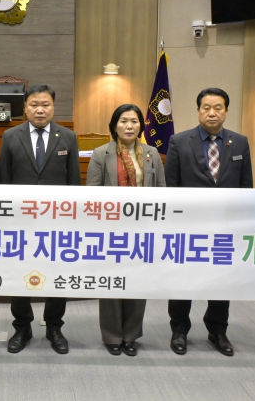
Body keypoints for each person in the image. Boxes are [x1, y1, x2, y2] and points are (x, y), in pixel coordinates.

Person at [164, 87, 253, 357]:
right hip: (187, 227)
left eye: (218, 108)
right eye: (206, 107)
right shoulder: (179, 141)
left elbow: (245, 187)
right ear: (198, 110)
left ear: (226, 111)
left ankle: (218, 331)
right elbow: (171, 187)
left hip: (225, 227)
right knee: (183, 281)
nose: (212, 113)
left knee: (221, 281)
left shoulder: (239, 142)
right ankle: (179, 330)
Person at [0, 84, 80, 354]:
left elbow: (73, 183)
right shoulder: (11, 136)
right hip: (20, 222)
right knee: (20, 274)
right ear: (25, 108)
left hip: (57, 222)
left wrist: (73, 221)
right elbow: (4, 181)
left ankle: (54, 327)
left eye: (45, 104)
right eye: (34, 105)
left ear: (54, 107)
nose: (40, 110)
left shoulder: (67, 137)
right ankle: (22, 327)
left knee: (56, 274)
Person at [86, 104, 165, 356]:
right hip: (111, 230)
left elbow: (162, 191)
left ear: (141, 126)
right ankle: (112, 335)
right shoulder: (101, 153)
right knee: (111, 282)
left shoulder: (152, 153)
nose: (129, 126)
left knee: (137, 282)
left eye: (134, 121)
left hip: (143, 230)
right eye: (123, 121)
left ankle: (131, 335)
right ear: (114, 126)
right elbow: (92, 195)